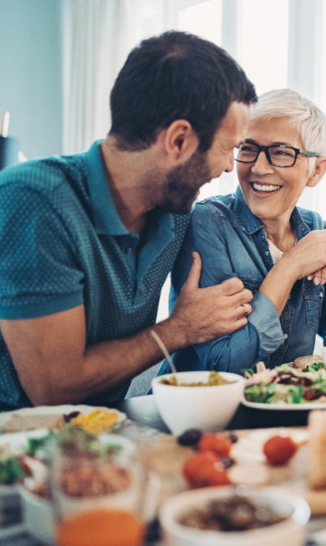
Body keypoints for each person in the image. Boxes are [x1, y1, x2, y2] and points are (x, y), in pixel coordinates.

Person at [0, 31, 258, 410]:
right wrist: (179, 329)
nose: (226, 168)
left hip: (103, 433)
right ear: (178, 141)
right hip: (19, 444)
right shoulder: (34, 201)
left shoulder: (177, 211)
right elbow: (54, 388)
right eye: (227, 148)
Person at [161, 89, 326, 375]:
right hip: (200, 413)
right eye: (247, 149)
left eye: (281, 153)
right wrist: (289, 267)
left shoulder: (315, 229)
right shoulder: (206, 222)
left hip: (281, 412)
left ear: (316, 171)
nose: (259, 168)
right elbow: (225, 367)